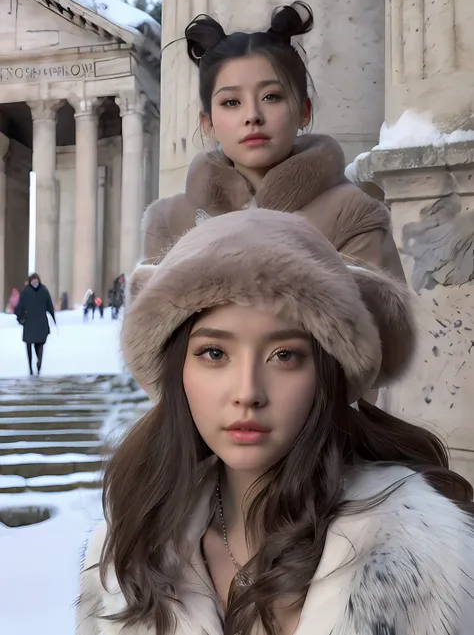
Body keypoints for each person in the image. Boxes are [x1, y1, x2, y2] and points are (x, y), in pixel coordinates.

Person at [76, 209, 474, 635]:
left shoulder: (427, 553)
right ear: (177, 372)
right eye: (214, 353)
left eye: (285, 355)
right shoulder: (127, 552)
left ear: (327, 373)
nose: (247, 391)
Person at [143, 1, 404, 284]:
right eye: (231, 102)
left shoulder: (353, 215)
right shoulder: (170, 222)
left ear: (304, 112)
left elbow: (377, 323)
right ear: (208, 124)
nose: (252, 116)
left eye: (271, 97)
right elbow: (149, 326)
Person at [15, 272, 56, 376]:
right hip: (30, 322)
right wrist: (20, 319)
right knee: (31, 346)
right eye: (33, 281)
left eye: (36, 281)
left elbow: (49, 306)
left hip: (38, 323)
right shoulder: (27, 292)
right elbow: (20, 307)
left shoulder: (42, 291)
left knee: (39, 345)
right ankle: (31, 368)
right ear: (30, 281)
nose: (34, 283)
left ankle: (38, 364)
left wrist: (53, 317)